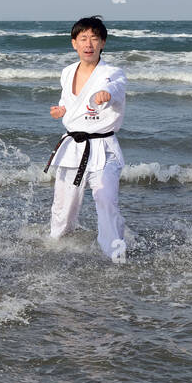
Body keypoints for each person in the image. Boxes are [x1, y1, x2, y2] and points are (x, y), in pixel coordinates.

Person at [46, 16, 128, 259]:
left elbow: (117, 89)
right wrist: (61, 110)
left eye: (94, 38)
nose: (88, 44)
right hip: (72, 146)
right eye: (83, 39)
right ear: (74, 43)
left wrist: (107, 93)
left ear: (102, 42)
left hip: (103, 147)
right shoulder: (67, 72)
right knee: (64, 207)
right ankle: (57, 250)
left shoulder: (113, 73)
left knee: (105, 199)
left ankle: (115, 253)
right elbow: (68, 101)